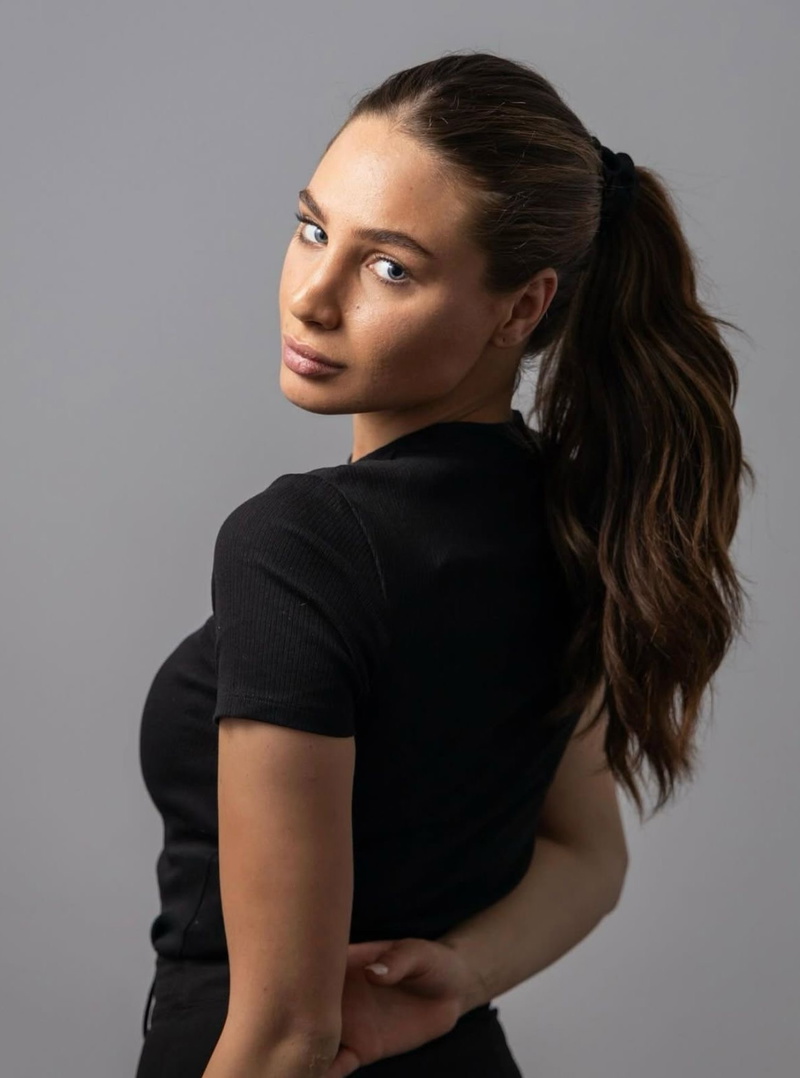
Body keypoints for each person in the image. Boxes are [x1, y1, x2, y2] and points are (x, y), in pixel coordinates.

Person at [134, 50, 753, 1078]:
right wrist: (456, 978)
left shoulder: (297, 547)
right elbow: (588, 857)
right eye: (311, 229)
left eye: (389, 268)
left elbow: (287, 1035)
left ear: (522, 308)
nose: (311, 296)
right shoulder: (572, 515)